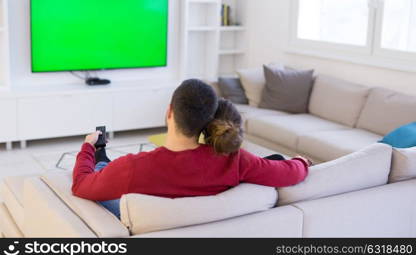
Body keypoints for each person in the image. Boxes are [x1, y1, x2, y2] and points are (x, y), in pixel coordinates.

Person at [72, 79, 310, 218]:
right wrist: (300, 161)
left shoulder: (133, 167)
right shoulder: (236, 161)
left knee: (103, 168)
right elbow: (291, 172)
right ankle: (102, 159)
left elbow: (80, 186)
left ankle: (100, 156)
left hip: (141, 216)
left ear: (169, 112)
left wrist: (86, 147)